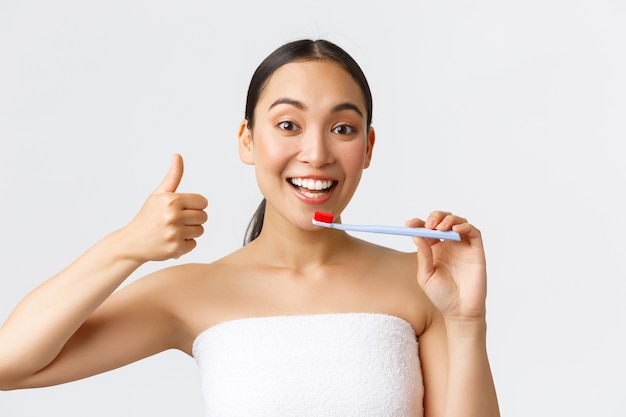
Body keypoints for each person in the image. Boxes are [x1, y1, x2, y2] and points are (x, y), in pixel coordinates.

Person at [0, 39, 500, 417]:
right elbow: (10, 365)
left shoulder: (420, 283)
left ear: (368, 147)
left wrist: (465, 322)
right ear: (247, 140)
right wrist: (125, 247)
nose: (317, 153)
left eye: (342, 128)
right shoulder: (191, 293)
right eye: (288, 125)